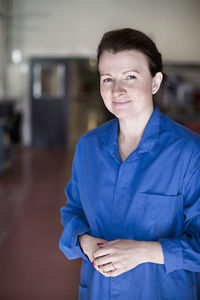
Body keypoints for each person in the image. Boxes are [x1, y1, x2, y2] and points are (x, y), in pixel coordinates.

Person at [59, 28, 200, 300]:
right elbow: (73, 211)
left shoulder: (190, 153)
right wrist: (85, 242)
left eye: (131, 77)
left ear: (155, 82)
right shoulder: (88, 147)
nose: (117, 90)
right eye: (107, 78)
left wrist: (143, 251)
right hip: (98, 291)